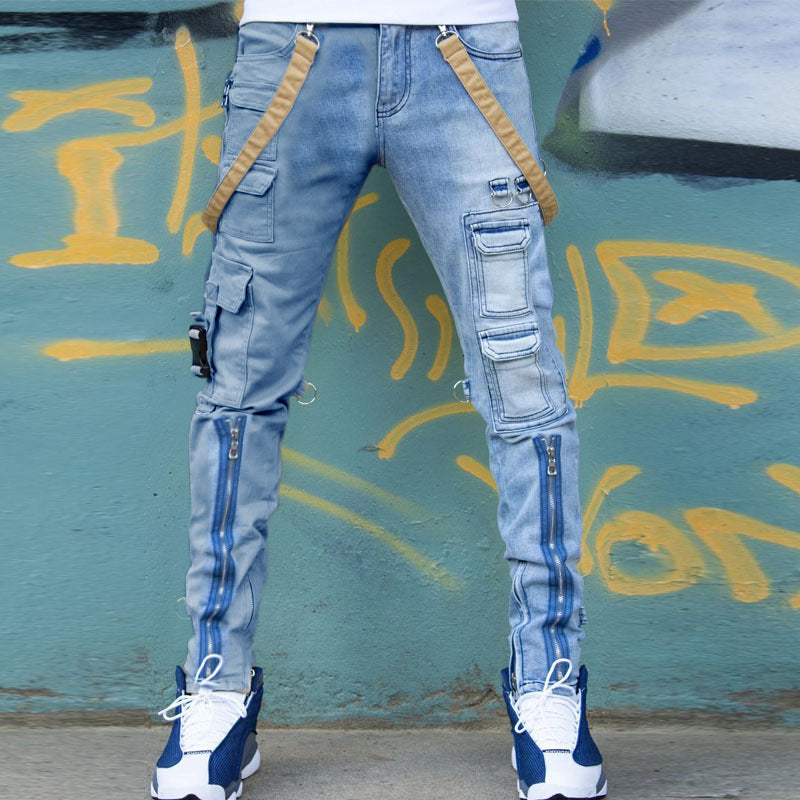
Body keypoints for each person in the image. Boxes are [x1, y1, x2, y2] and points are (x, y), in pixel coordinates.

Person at [151, 3, 607, 800]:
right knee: (240, 381)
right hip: (293, 47)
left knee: (523, 377)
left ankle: (549, 680)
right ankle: (217, 686)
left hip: (463, 47)